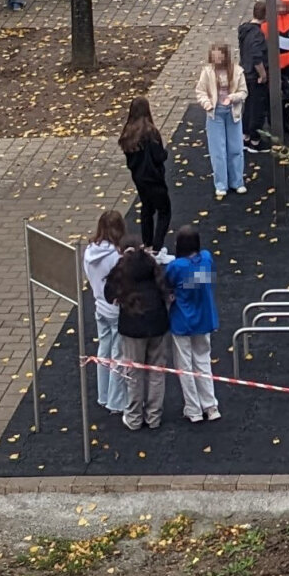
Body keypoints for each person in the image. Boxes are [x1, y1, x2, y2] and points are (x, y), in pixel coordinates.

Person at [106, 240, 174, 430]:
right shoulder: (154, 270)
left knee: (134, 373)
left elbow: (108, 293)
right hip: (157, 325)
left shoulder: (123, 274)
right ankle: (154, 417)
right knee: (157, 372)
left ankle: (134, 417)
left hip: (132, 328)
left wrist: (121, 262)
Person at [165, 227, 221, 424]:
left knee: (185, 366)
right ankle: (210, 405)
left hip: (182, 321)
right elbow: (200, 280)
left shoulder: (176, 267)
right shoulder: (206, 259)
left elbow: (169, 283)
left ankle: (193, 409)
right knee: (203, 362)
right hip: (205, 320)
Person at [81, 209, 129, 417]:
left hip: (99, 305)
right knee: (118, 354)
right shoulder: (116, 257)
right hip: (116, 310)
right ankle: (116, 400)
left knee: (103, 350)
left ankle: (103, 394)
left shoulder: (89, 251)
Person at [196, 42, 248, 199]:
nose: (216, 58)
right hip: (215, 114)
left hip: (233, 113)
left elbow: (243, 91)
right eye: (214, 56)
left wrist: (232, 98)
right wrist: (207, 104)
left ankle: (237, 182)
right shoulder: (207, 72)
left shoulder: (237, 71)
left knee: (236, 148)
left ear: (225, 56)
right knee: (218, 150)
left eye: (219, 55)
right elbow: (200, 91)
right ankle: (221, 184)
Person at [120, 99, 172, 250]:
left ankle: (147, 243)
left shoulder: (128, 134)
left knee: (147, 209)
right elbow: (159, 156)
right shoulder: (151, 133)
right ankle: (157, 247)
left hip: (139, 179)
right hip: (154, 179)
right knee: (164, 211)